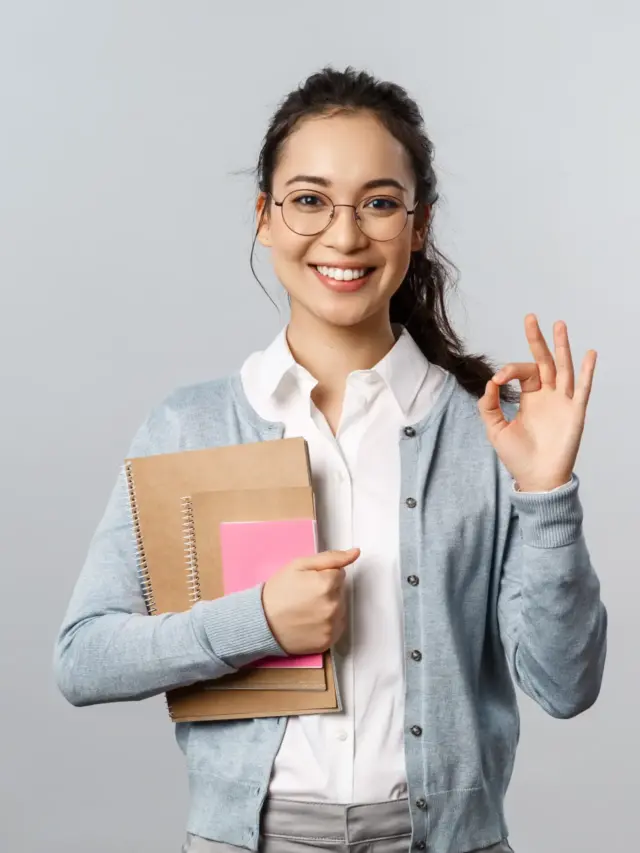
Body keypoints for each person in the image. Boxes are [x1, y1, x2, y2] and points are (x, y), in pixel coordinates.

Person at [53, 66, 607, 853]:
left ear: (418, 225)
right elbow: (83, 658)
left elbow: (565, 685)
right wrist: (261, 621)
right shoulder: (190, 425)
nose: (344, 236)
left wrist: (545, 489)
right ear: (265, 218)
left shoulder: (489, 430)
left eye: (379, 203)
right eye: (309, 199)